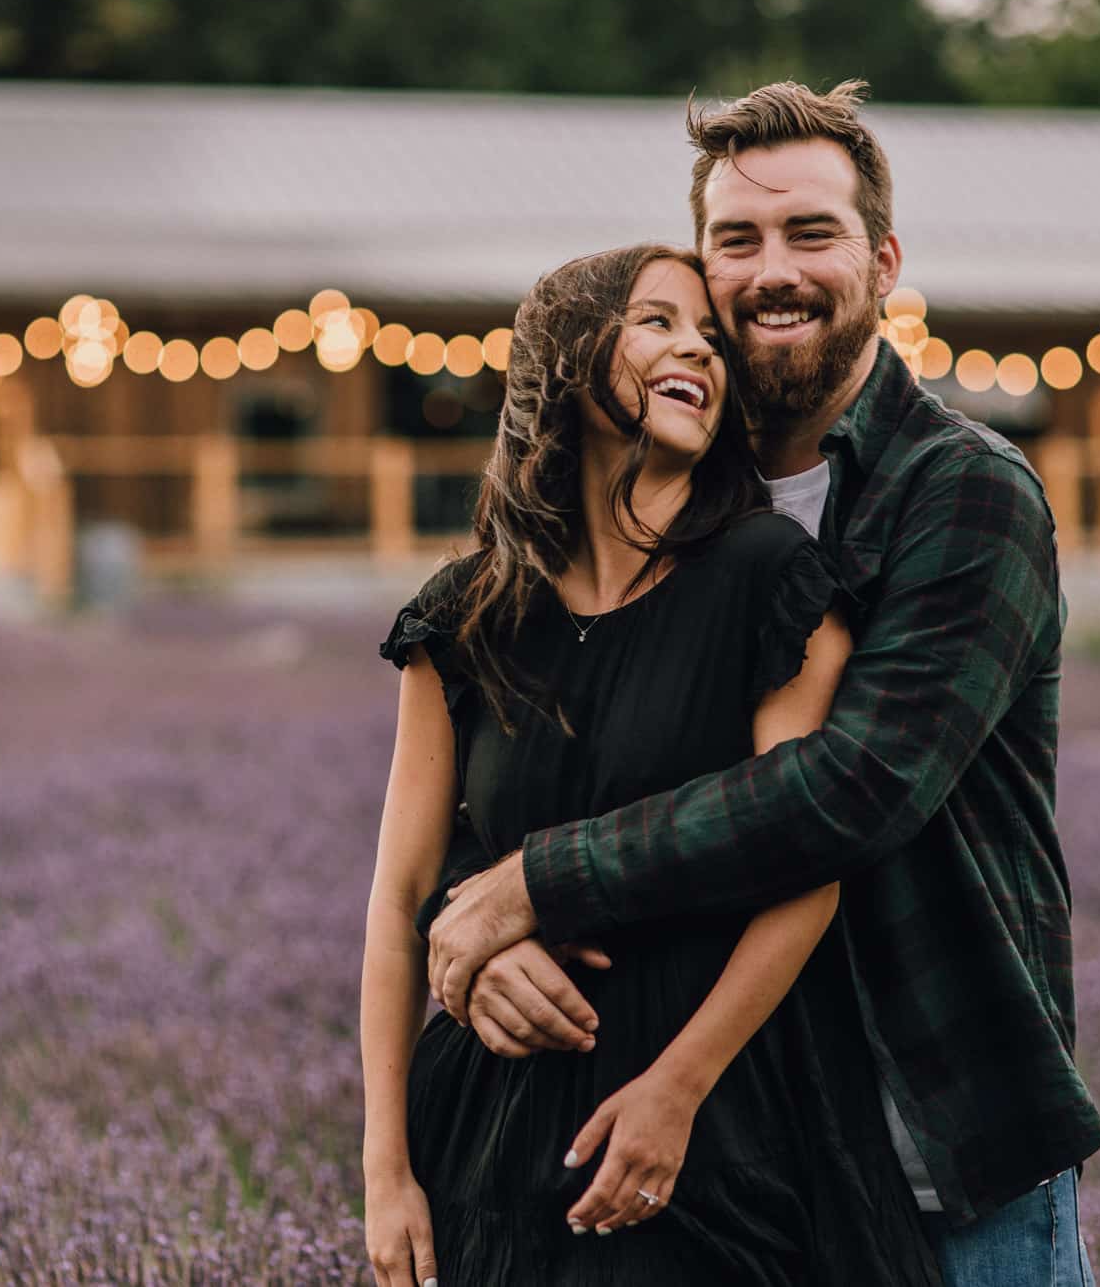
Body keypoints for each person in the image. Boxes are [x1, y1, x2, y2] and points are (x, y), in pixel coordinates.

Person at [423, 81, 1100, 1287]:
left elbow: (855, 785)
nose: (769, 270)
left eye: (810, 233)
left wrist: (539, 882)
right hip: (748, 1149)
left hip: (932, 1131)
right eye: (734, 241)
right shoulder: (683, 501)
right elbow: (558, 749)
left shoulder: (962, 491)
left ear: (882, 260)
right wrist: (479, 915)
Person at [359, 241, 940, 1285]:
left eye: (711, 337)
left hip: (705, 1133)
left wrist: (680, 1083)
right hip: (478, 1140)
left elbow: (810, 857)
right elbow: (399, 899)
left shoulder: (768, 577)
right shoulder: (464, 616)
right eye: (658, 320)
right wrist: (383, 1167)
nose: (699, 351)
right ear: (570, 356)